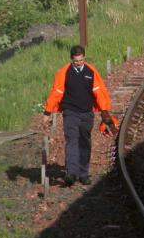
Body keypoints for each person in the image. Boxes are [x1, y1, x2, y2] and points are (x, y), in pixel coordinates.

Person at [42, 45, 116, 185]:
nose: (79, 63)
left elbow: (99, 92)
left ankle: (83, 173)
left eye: (81, 60)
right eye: (76, 61)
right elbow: (56, 93)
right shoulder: (63, 73)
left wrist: (104, 112)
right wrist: (47, 112)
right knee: (72, 140)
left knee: (84, 141)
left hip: (87, 113)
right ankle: (71, 173)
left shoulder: (91, 71)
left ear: (84, 58)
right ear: (71, 59)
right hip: (70, 112)